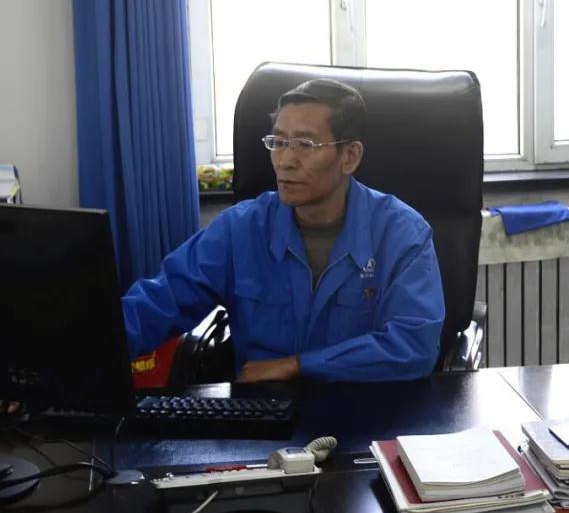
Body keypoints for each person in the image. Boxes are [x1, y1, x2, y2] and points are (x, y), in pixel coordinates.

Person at [121, 79, 445, 382]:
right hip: (263, 411)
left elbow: (413, 347)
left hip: (369, 408)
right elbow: (159, 303)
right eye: (278, 142)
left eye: (305, 144)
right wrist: (97, 347)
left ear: (349, 156)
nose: (286, 161)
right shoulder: (240, 229)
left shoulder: (402, 234)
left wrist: (299, 366)